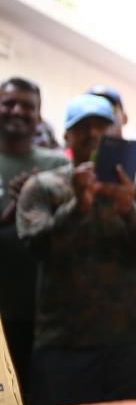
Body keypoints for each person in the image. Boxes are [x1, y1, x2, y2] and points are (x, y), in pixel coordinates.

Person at [15, 93, 136, 405]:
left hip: (128, 343)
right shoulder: (43, 186)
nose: (93, 134)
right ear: (67, 135)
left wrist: (128, 209)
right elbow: (35, 246)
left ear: (116, 132)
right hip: (62, 345)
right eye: (83, 127)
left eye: (102, 126)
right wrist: (77, 207)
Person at [0, 77, 68, 388]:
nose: (17, 111)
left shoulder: (56, 165)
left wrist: (37, 200)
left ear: (38, 116)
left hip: (44, 310)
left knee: (33, 396)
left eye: (27, 106)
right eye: (9, 103)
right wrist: (11, 216)